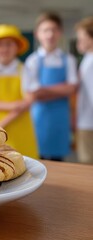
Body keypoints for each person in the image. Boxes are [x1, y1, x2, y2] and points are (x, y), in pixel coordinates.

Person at [23, 12, 78, 161]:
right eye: (45, 30)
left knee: (59, 162)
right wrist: (62, 89)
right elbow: (33, 94)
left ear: (60, 32)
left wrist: (44, 90)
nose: (50, 34)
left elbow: (72, 88)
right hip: (38, 118)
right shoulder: (32, 60)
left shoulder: (69, 59)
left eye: (54, 29)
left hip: (61, 118)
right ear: (37, 34)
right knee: (36, 160)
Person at [0, 24, 38, 158]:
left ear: (17, 48)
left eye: (9, 44)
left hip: (19, 127)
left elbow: (28, 102)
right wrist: (13, 105)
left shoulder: (25, 70)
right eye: (0, 45)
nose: (4, 48)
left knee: (23, 164)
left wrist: (2, 123)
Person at [75, 17, 93, 164]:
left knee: (87, 165)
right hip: (86, 121)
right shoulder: (87, 59)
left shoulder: (91, 62)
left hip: (89, 124)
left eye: (82, 37)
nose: (78, 41)